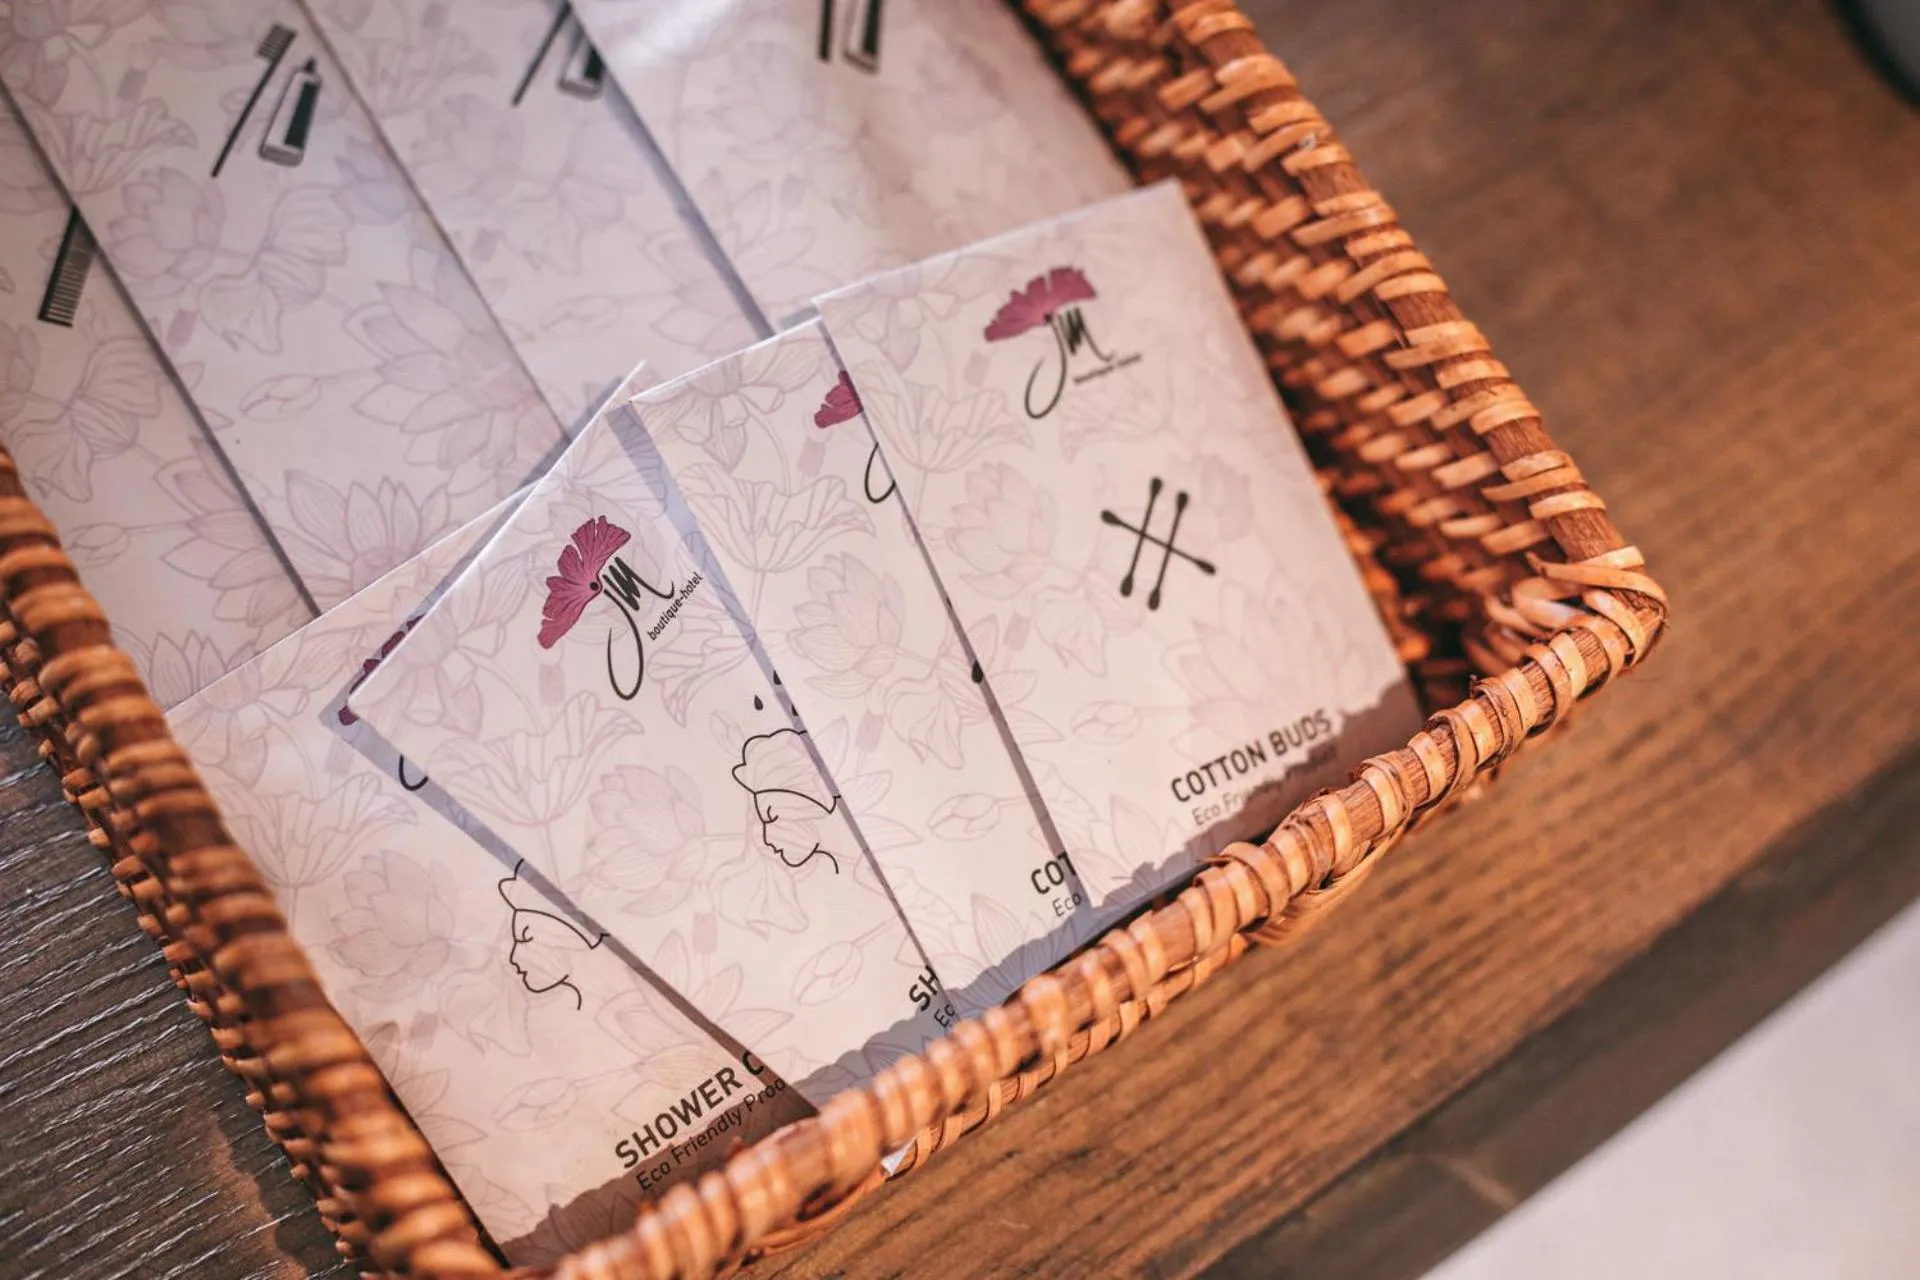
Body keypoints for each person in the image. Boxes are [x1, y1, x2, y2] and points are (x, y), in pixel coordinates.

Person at [730, 729, 843, 875]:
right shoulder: (817, 806)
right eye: (781, 852)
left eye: (781, 852)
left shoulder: (767, 806)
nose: (773, 848)